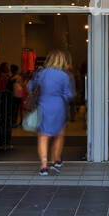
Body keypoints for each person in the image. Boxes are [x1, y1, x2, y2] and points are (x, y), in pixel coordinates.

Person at [31, 48, 75, 176]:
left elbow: (30, 87)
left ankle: (44, 166)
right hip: (58, 107)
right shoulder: (64, 76)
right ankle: (56, 159)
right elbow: (68, 95)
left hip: (43, 106)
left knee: (43, 137)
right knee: (59, 134)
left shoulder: (40, 73)